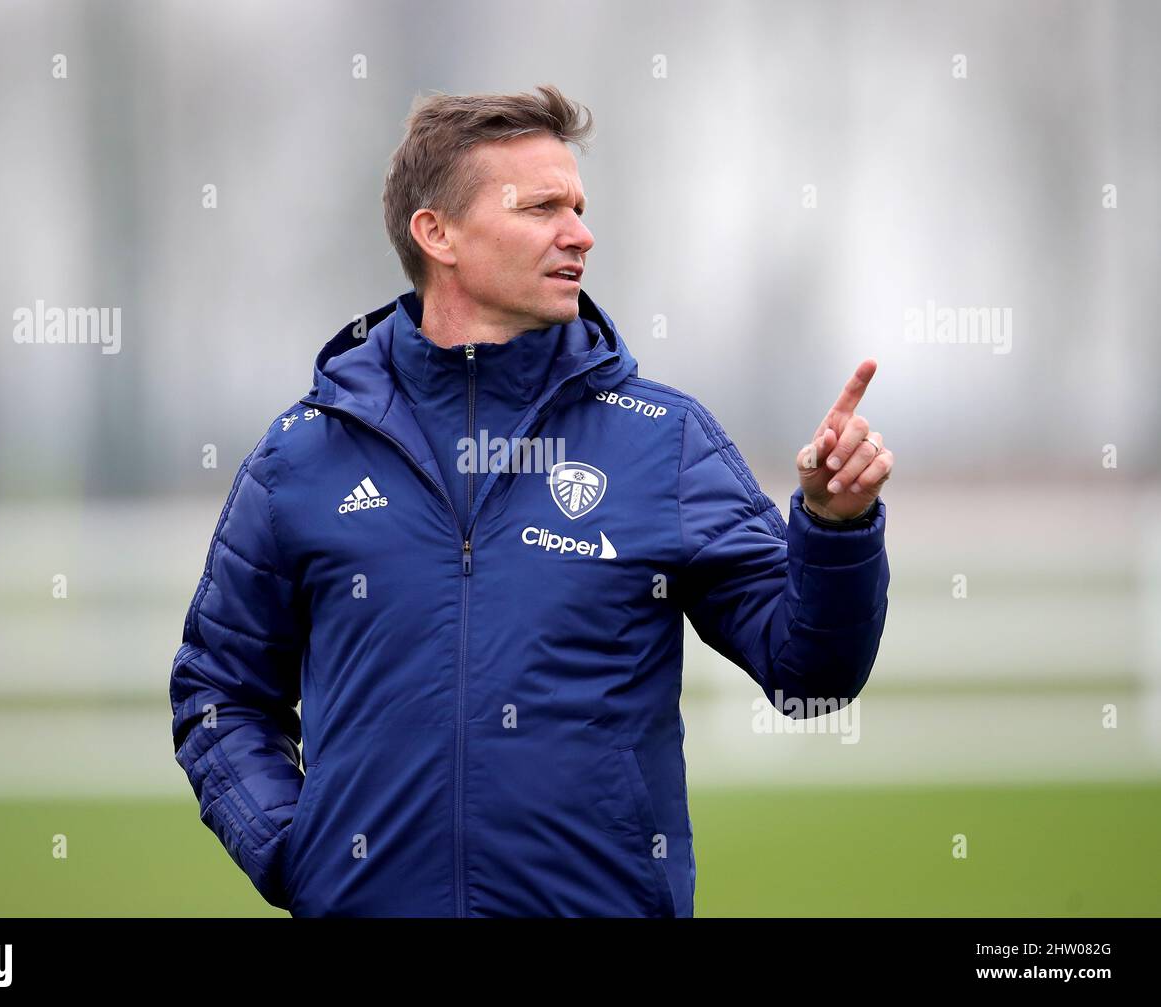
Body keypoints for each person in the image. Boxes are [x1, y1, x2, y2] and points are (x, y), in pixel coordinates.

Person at [168, 84, 893, 917]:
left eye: (579, 207)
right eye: (543, 207)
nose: (580, 233)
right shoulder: (303, 455)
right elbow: (219, 693)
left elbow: (812, 673)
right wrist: (301, 856)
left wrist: (837, 529)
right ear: (436, 233)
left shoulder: (662, 440)